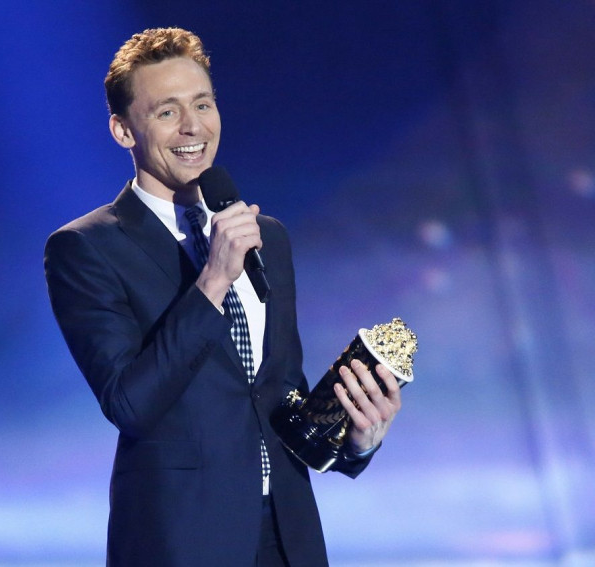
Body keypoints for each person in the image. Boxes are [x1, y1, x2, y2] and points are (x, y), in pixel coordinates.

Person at [44, 27, 402, 567]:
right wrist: (211, 280)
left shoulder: (266, 237)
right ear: (123, 130)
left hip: (288, 535)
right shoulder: (87, 248)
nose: (193, 127)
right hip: (182, 539)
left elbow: (276, 397)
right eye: (166, 112)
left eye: (203, 104)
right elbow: (129, 405)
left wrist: (355, 436)